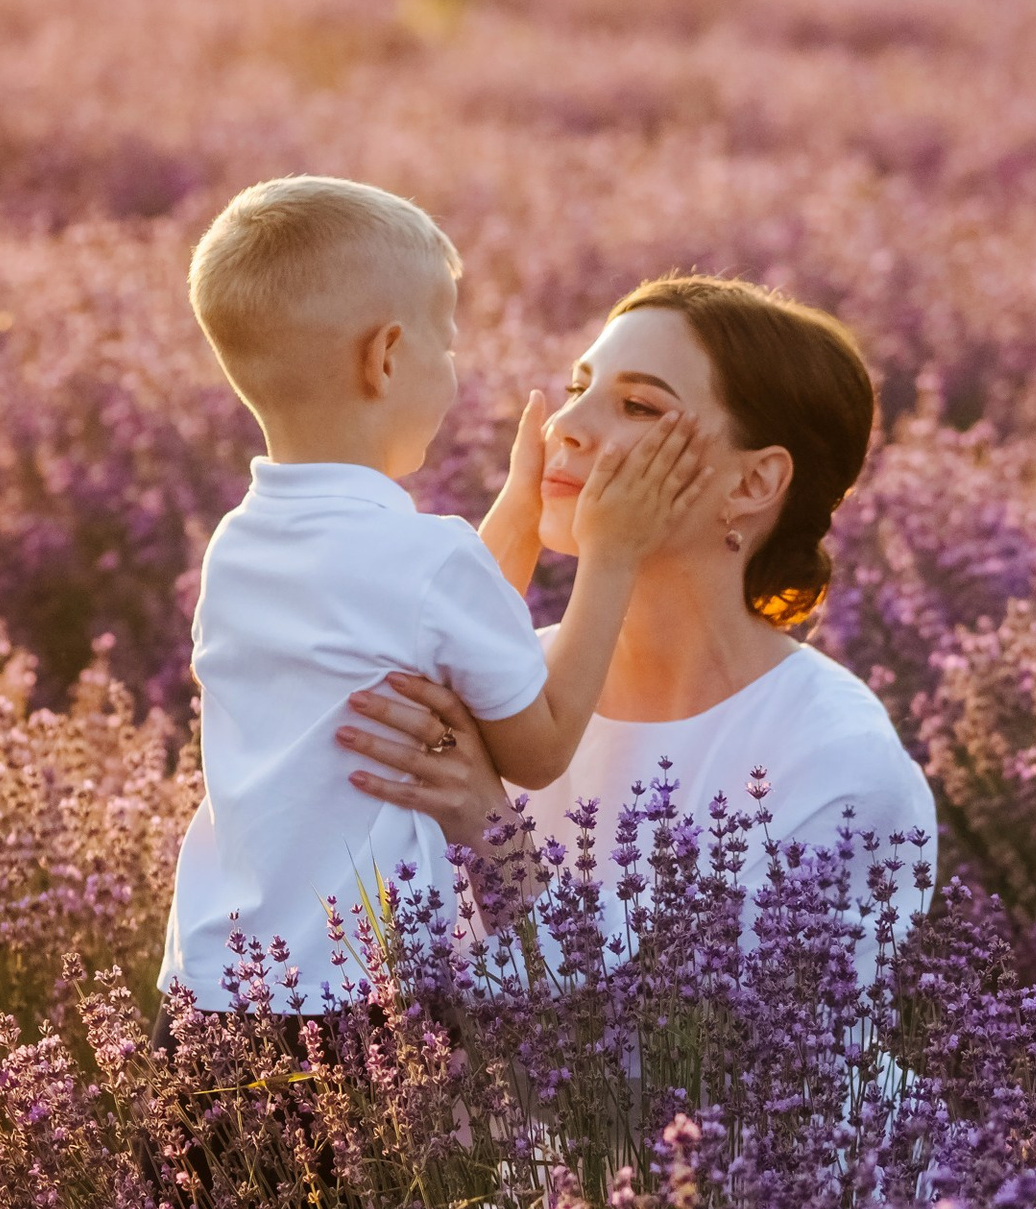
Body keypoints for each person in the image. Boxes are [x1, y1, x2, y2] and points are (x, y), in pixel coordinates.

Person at [157, 178, 715, 1015]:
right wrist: (611, 554)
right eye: (445, 347)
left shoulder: (239, 545)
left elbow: (431, 625)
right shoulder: (428, 560)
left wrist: (524, 510)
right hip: (353, 1010)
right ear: (385, 357)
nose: (454, 376)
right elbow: (538, 749)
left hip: (207, 990)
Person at [335, 274, 936, 950]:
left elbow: (752, 1048)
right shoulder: (501, 681)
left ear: (752, 482)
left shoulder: (837, 760)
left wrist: (494, 839)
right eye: (576, 389)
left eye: (638, 406)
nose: (566, 426)